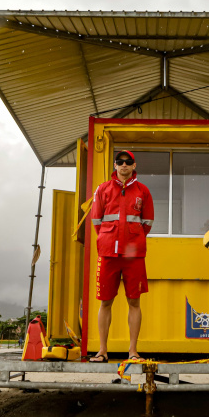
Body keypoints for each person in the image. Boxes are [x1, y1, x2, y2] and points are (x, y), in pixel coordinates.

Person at [88, 150, 154, 362]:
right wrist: (109, 238)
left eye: (128, 162)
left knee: (134, 301)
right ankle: (102, 351)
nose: (124, 165)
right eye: (120, 162)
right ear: (115, 165)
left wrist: (132, 239)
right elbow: (96, 220)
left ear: (134, 166)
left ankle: (133, 351)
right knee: (105, 301)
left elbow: (148, 222)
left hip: (134, 254)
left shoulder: (143, 191)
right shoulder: (102, 189)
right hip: (108, 253)